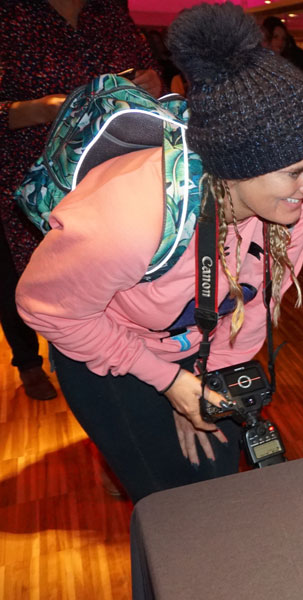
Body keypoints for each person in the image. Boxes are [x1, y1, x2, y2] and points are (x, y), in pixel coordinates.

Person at [15, 2, 303, 503]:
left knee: (219, 482)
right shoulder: (130, 218)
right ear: (237, 164)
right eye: (296, 172)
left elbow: (251, 313)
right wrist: (169, 384)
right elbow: (45, 310)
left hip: (200, 350)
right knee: (172, 503)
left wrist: (200, 385)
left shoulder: (286, 210)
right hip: (105, 347)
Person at [0, 0, 161, 400]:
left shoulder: (109, 9)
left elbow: (146, 70)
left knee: (120, 282)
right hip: (38, 187)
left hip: (116, 178)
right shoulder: (10, 15)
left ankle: (130, 376)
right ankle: (37, 364)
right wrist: (34, 110)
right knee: (47, 290)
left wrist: (150, 82)